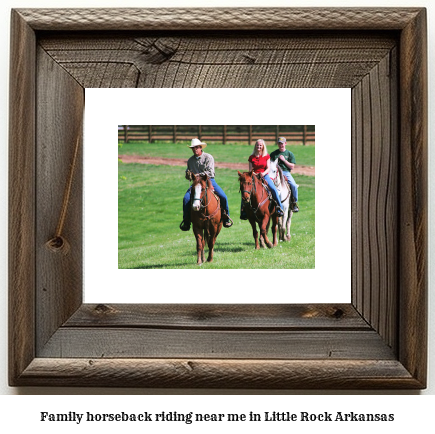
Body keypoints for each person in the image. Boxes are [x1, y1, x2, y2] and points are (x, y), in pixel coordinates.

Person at [180, 138, 233, 231]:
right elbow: (188, 174)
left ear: (200, 147)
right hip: (196, 184)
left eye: (196, 147)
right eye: (193, 148)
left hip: (210, 181)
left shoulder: (208, 157)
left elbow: (210, 172)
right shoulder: (190, 160)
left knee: (223, 196)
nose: (195, 149)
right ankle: (186, 221)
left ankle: (226, 217)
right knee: (186, 199)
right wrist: (188, 175)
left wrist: (198, 175)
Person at [240, 139, 284, 220]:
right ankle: (243, 211)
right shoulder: (251, 157)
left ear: (263, 146)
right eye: (257, 145)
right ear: (255, 146)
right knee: (245, 190)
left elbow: (268, 168)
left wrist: (263, 174)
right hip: (254, 177)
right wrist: (254, 174)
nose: (259, 147)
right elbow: (250, 170)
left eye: (260, 145)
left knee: (273, 189)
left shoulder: (266, 156)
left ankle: (279, 208)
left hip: (265, 175)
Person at [270, 137, 299, 212]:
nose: (281, 145)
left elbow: (292, 166)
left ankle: (294, 202)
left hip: (286, 172)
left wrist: (284, 160)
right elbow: (270, 164)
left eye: (282, 143)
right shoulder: (273, 154)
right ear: (277, 144)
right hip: (275, 173)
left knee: (294, 185)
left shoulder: (289, 154)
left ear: (285, 143)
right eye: (279, 143)